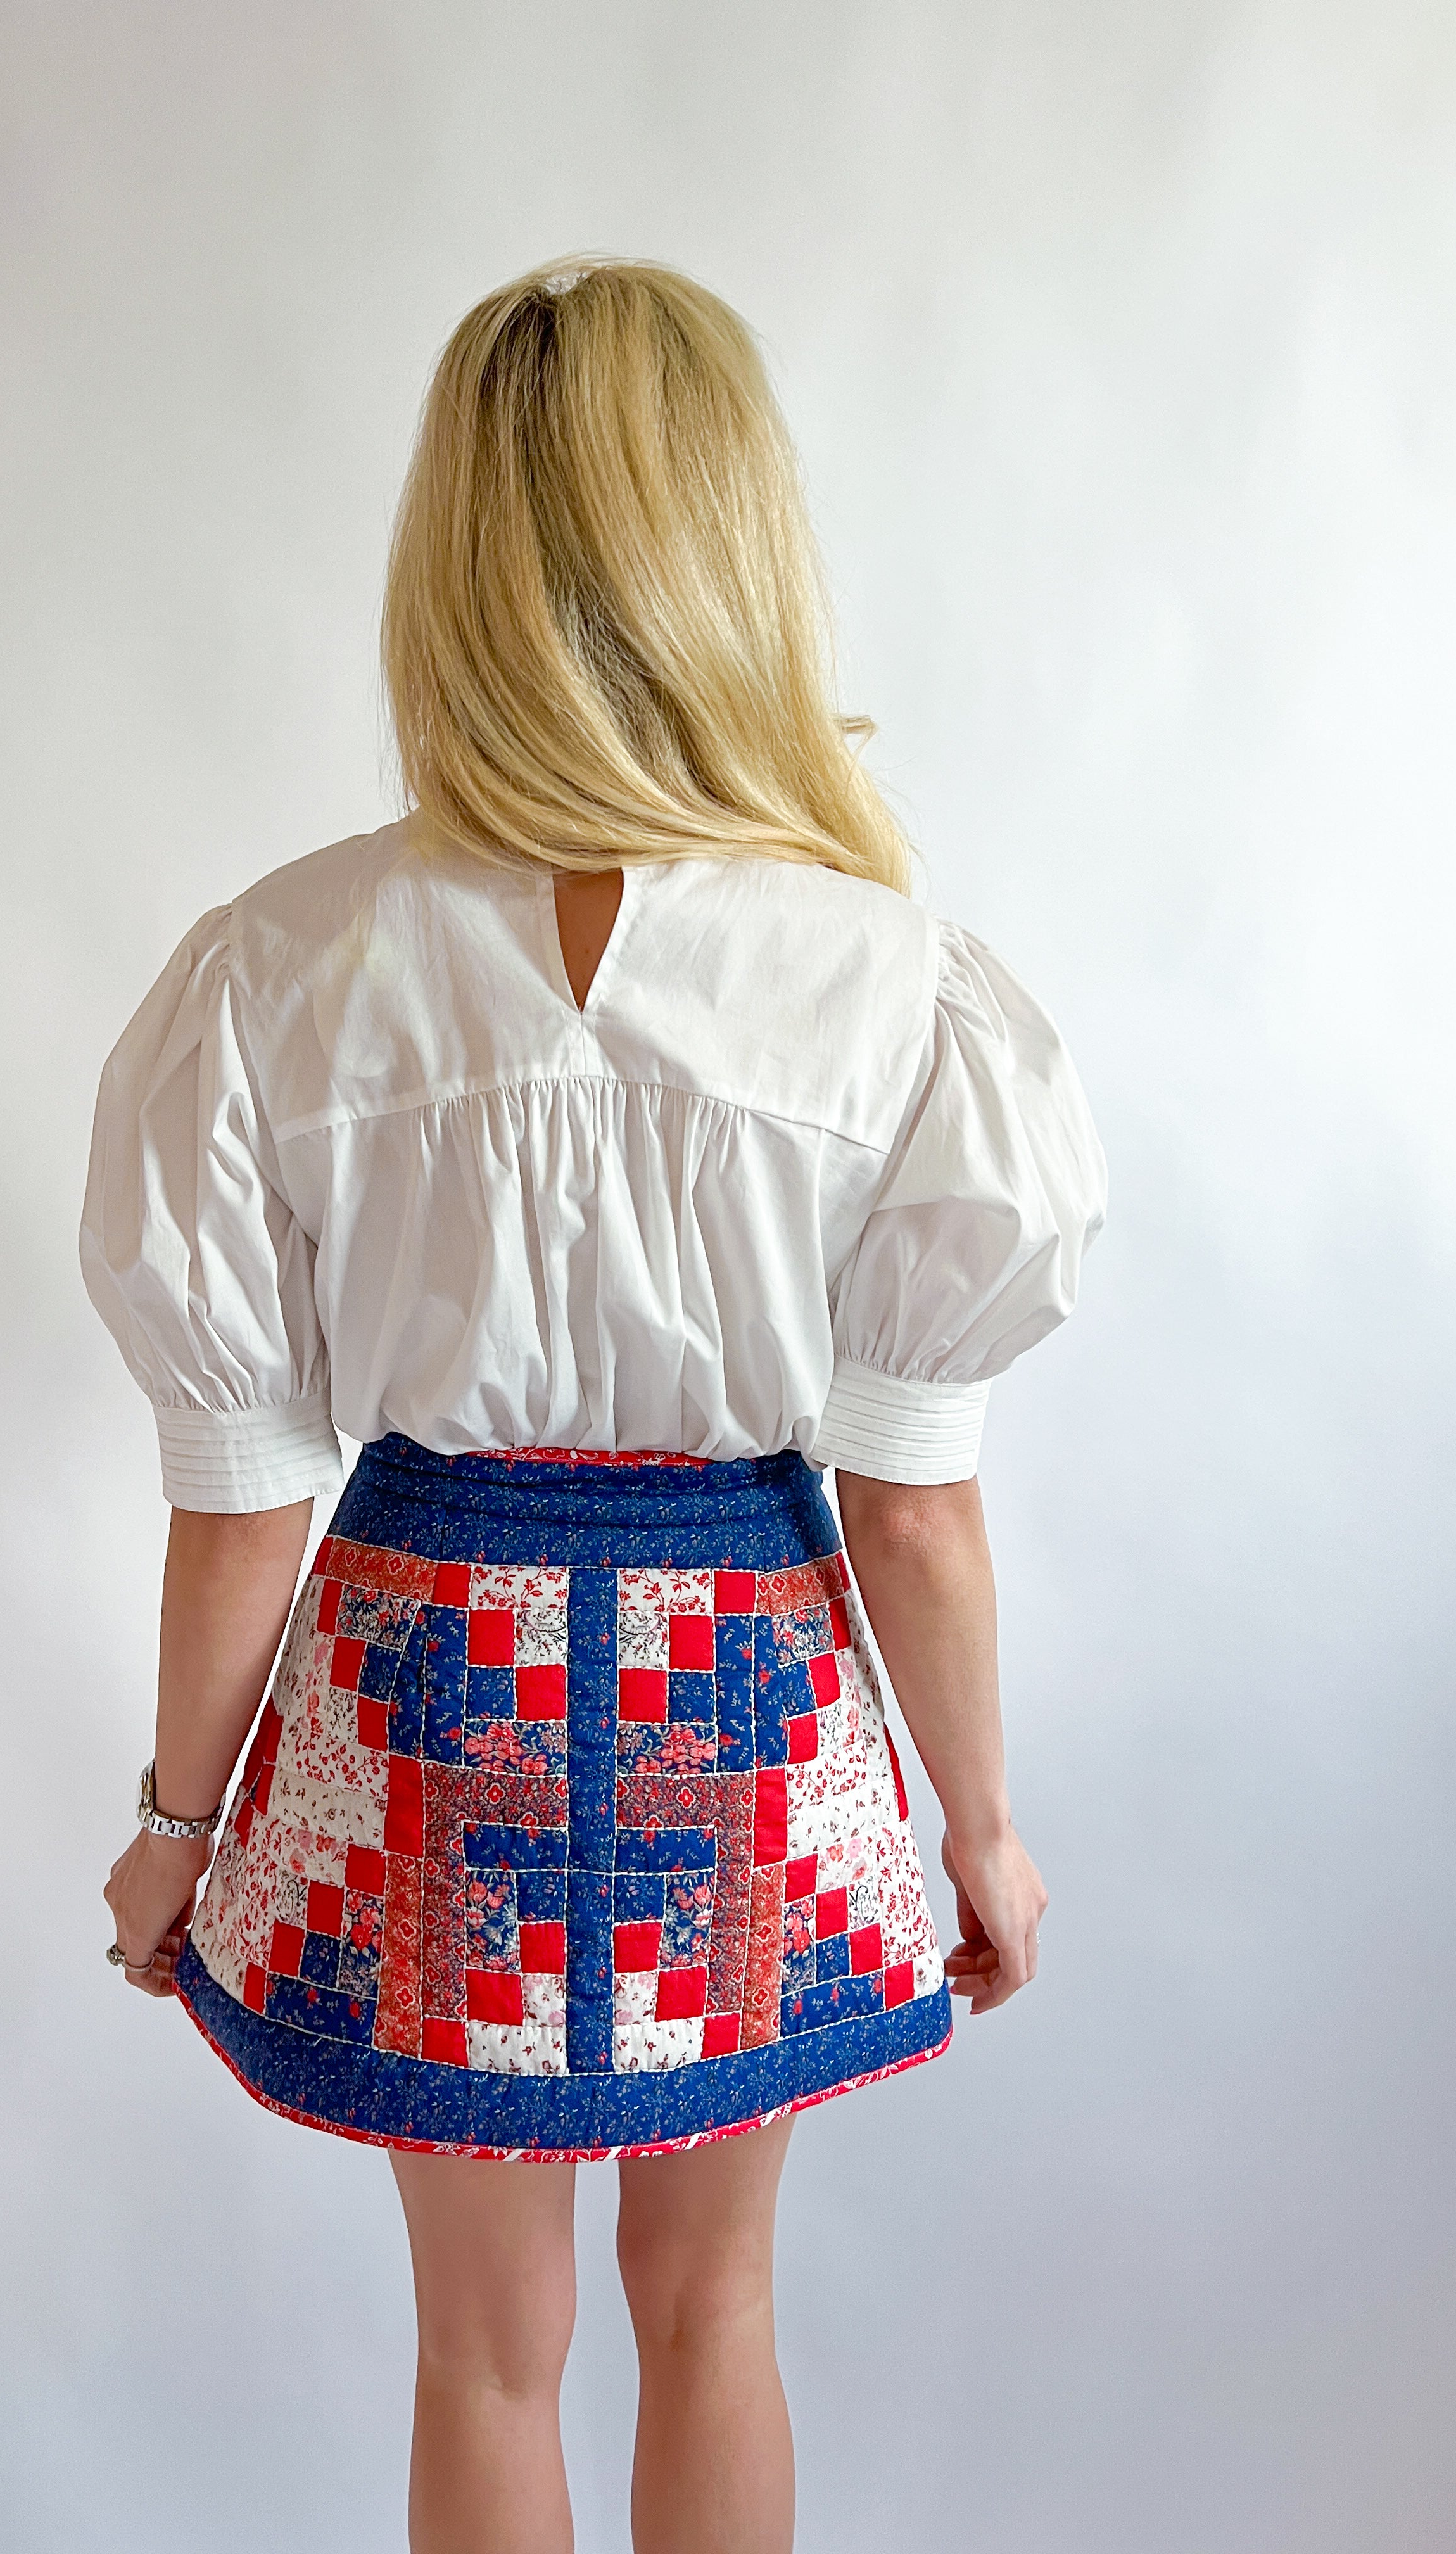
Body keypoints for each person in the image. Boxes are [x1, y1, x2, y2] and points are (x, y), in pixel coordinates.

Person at [83, 257, 1105, 2554]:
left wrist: (173, 1824)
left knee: (481, 2350)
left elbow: (242, 1502)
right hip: (741, 1695)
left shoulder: (281, 964)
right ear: (737, 545)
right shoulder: (893, 978)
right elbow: (914, 1510)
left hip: (424, 1696)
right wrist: (982, 1831)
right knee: (717, 2307)